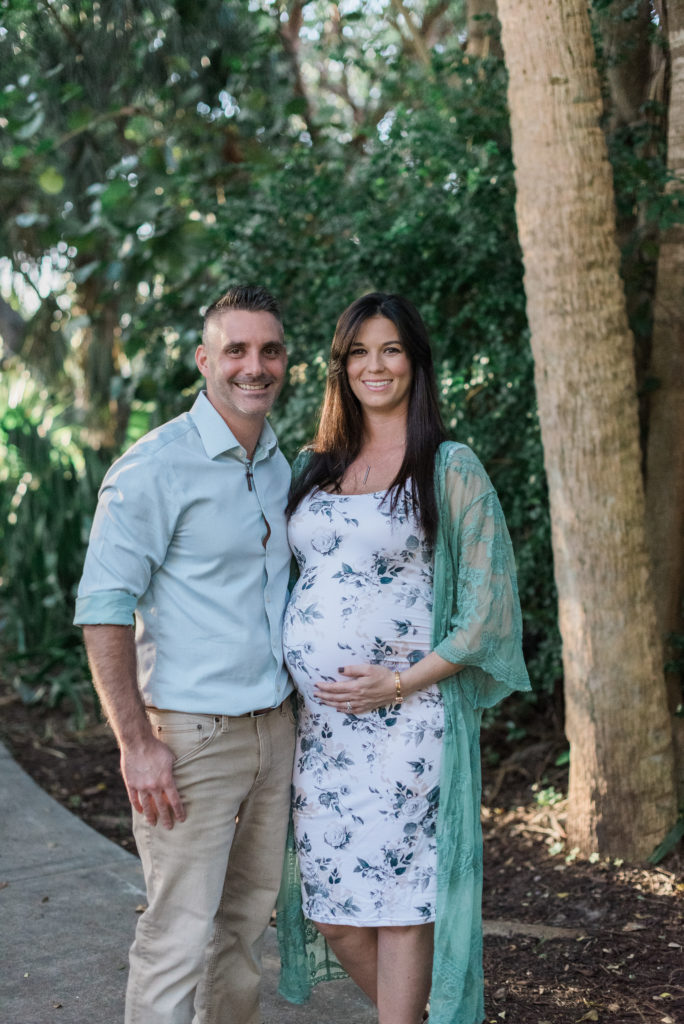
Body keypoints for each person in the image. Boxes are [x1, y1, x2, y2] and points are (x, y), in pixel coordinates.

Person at [276, 293, 530, 1024]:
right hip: (323, 734)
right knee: (336, 914)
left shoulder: (447, 466)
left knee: (400, 904)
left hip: (409, 727)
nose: (373, 365)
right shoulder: (313, 465)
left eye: (390, 349)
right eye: (358, 352)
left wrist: (396, 681)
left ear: (416, 363)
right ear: (340, 367)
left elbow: (486, 614)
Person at [74, 284, 296, 1024]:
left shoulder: (275, 462)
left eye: (269, 350)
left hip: (275, 732)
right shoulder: (154, 467)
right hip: (192, 738)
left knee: (241, 932)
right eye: (236, 349)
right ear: (205, 360)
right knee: (177, 935)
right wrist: (137, 743)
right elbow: (102, 610)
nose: (253, 365)